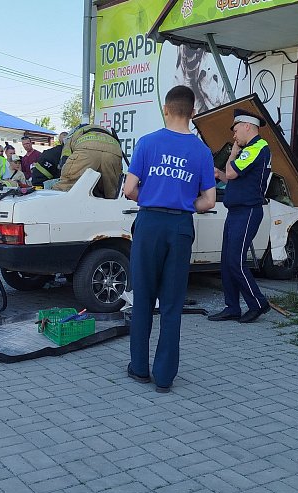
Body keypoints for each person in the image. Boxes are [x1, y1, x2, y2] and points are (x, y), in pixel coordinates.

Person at [123, 85, 217, 393]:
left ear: (166, 109)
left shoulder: (148, 143)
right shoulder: (202, 151)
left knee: (144, 298)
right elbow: (210, 201)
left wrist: (150, 197)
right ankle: (164, 377)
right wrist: (184, 204)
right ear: (193, 112)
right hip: (179, 227)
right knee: (172, 303)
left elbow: (129, 189)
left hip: (149, 223)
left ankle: (139, 368)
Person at [208, 108, 273, 323]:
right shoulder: (252, 151)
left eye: (236, 130)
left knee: (236, 260)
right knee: (227, 261)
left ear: (247, 126)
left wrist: (233, 152)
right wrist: (220, 175)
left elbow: (233, 172)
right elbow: (233, 180)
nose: (234, 136)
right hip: (237, 211)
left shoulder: (256, 148)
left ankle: (258, 303)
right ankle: (232, 307)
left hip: (247, 212)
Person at [56, 124, 123, 198]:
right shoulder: (104, 131)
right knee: (112, 193)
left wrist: (65, 173)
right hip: (114, 150)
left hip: (86, 148)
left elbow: (65, 158)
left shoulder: (73, 135)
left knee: (65, 187)